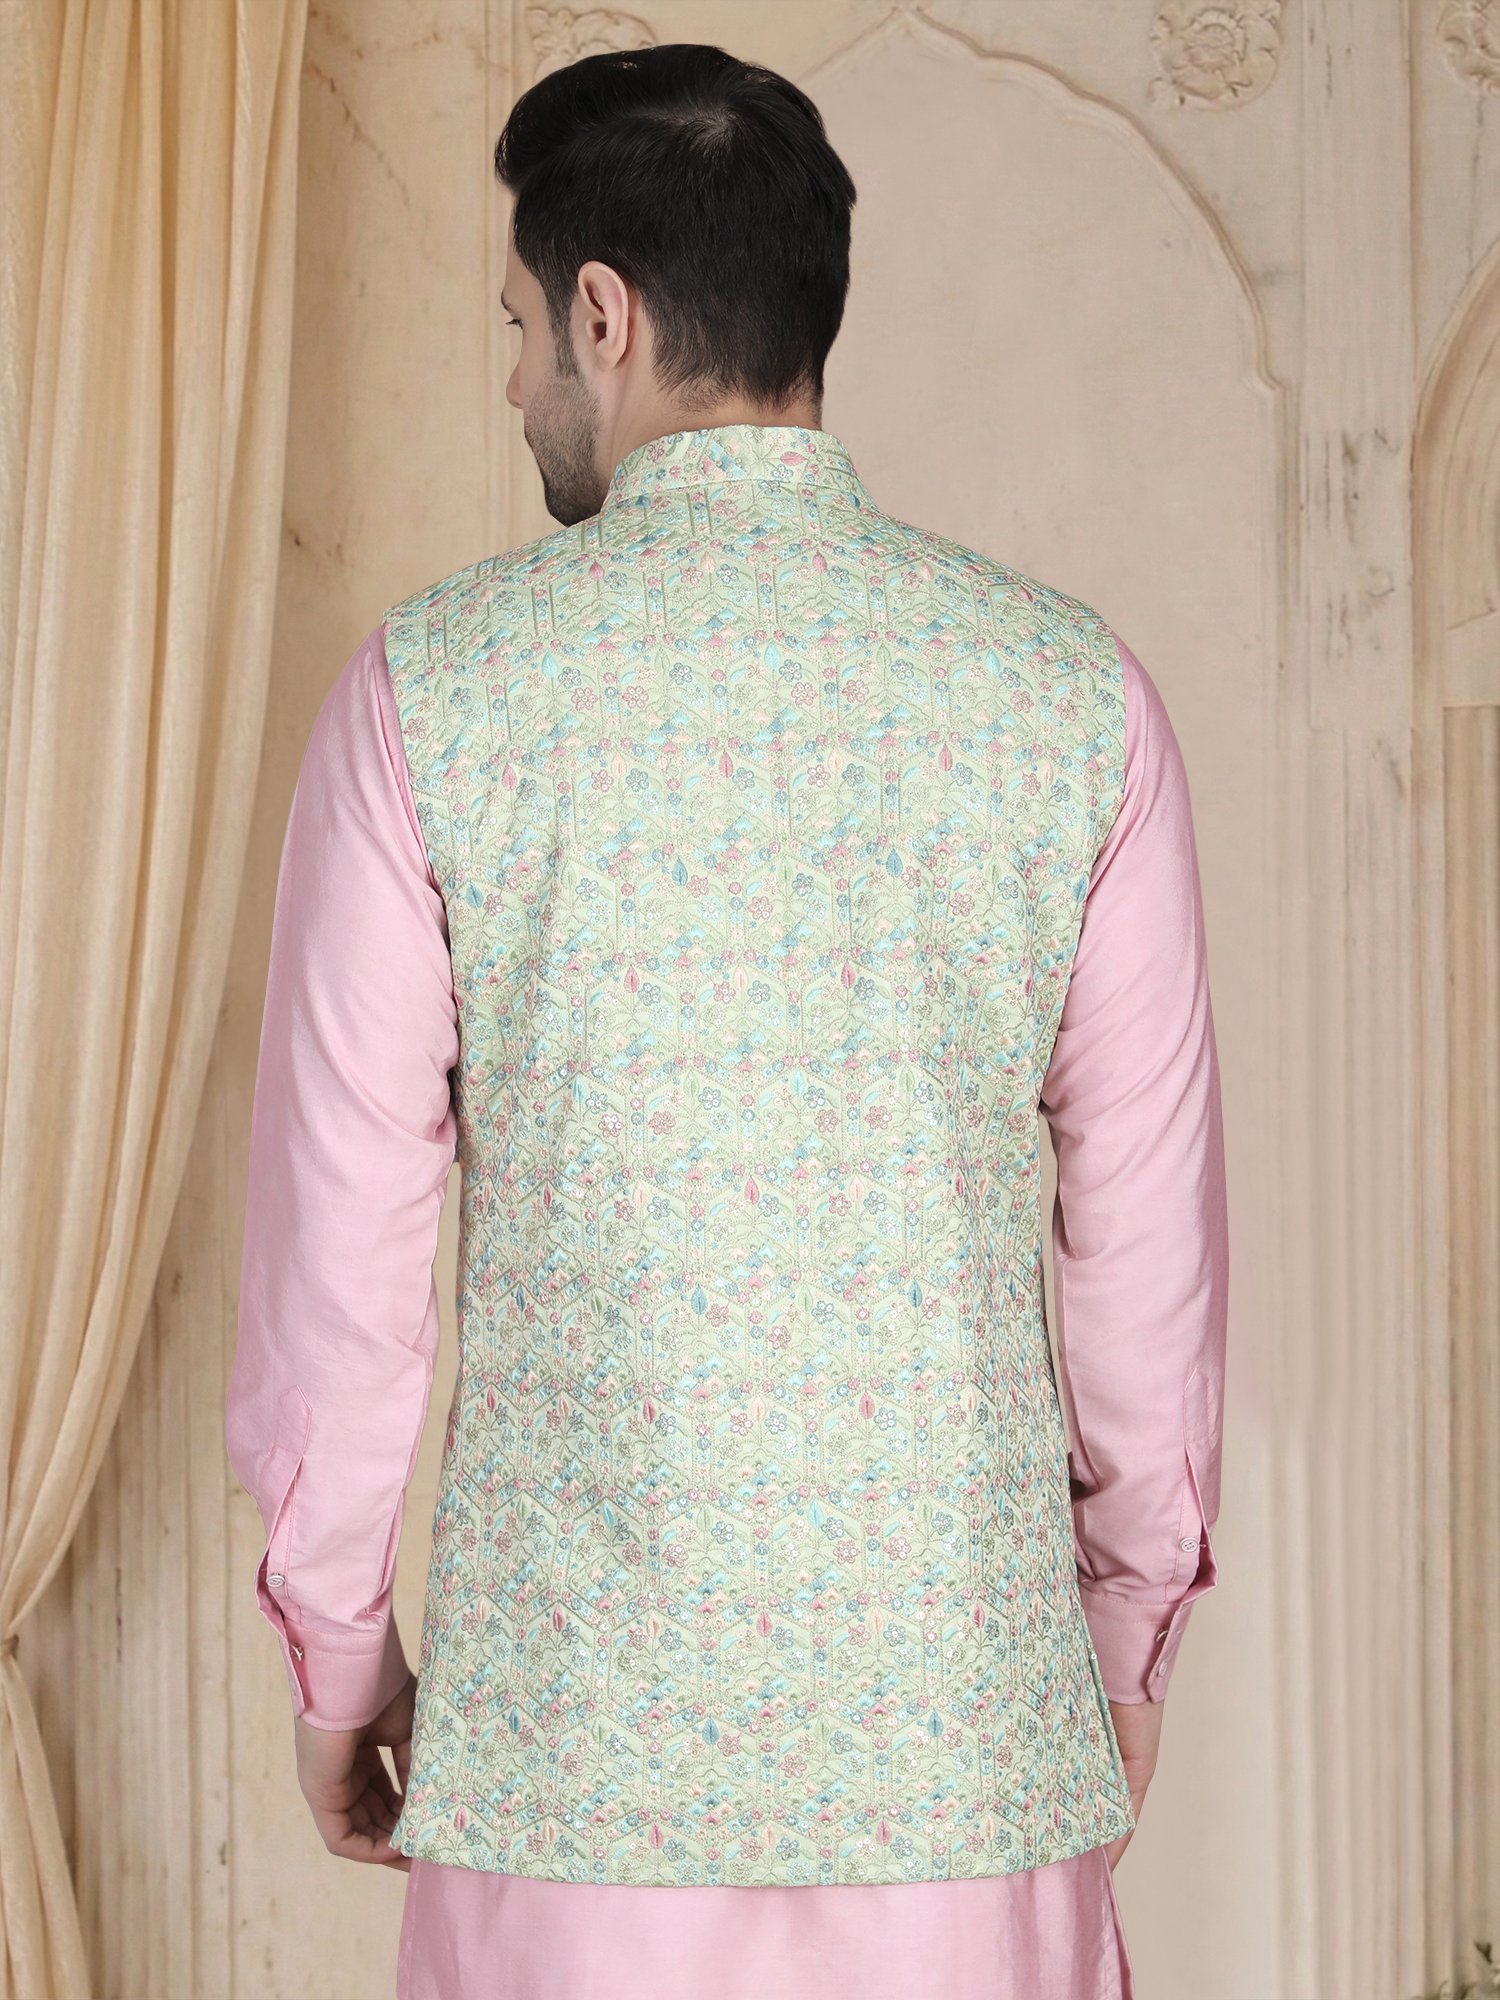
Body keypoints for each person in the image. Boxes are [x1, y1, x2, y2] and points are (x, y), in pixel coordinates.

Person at [224, 40, 1228, 2000]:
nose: (514, 378)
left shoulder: (432, 699)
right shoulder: (1070, 700)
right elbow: (1148, 1261)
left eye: (515, 325)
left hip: (568, 1779)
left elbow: (342, 1266)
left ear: (601, 315)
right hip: (964, 1752)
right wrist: (1121, 1644)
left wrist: (339, 1658)